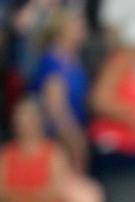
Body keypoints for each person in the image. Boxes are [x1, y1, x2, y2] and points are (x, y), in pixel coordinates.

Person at [88, 17, 135, 174]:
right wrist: (134, 116)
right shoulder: (120, 61)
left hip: (132, 150)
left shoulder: (133, 65)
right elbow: (98, 100)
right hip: (115, 149)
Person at [30, 8, 89, 170]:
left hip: (74, 132)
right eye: (76, 25)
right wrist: (75, 142)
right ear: (61, 31)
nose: (82, 29)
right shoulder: (53, 62)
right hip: (59, 141)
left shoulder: (74, 59)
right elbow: (56, 110)